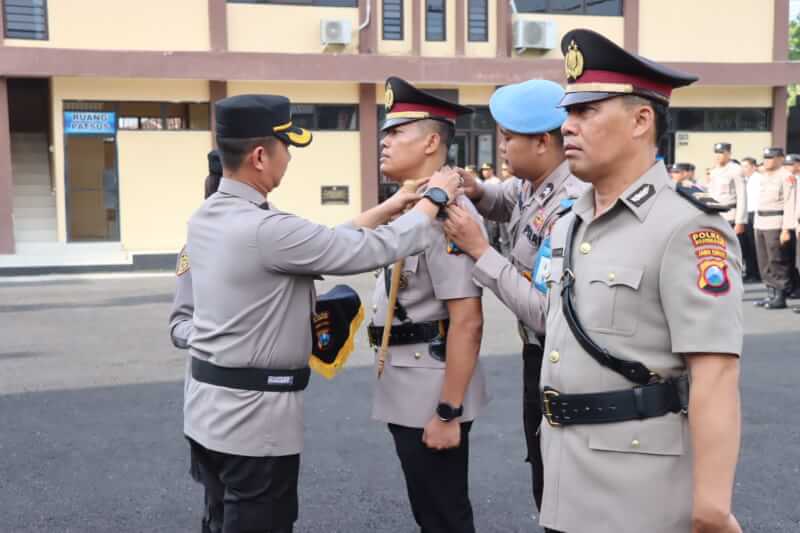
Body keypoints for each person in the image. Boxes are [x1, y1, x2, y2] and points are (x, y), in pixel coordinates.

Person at [445, 28, 743, 533]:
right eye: (568, 113)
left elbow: (714, 375)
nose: (568, 127)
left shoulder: (686, 228)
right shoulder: (572, 219)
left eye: (586, 112)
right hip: (567, 476)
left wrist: (711, 506)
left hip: (639, 492)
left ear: (640, 120)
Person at [181, 93, 461, 533]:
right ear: (259, 155)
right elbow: (364, 250)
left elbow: (319, 242)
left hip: (207, 412)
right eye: (286, 147)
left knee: (220, 519)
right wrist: (434, 200)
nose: (289, 157)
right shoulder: (266, 229)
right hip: (253, 422)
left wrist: (388, 208)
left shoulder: (210, 216)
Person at [453, 79, 587, 519]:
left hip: (559, 357)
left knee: (559, 485)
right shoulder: (533, 184)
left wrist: (481, 252)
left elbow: (547, 314)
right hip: (538, 356)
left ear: (544, 142)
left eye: (509, 138)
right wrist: (474, 189)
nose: (502, 147)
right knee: (543, 470)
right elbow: (502, 200)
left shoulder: (570, 202)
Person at [370, 76, 488, 533]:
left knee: (444, 516)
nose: (385, 141)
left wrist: (447, 411)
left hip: (431, 387)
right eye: (385, 132)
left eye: (397, 132)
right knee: (429, 511)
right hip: (406, 377)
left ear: (432, 142)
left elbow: (467, 321)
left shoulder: (448, 215)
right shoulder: (411, 205)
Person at [753, 147, 797, 309]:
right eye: (765, 158)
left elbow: (790, 203)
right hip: (760, 222)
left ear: (780, 159)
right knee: (764, 261)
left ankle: (780, 296)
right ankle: (771, 293)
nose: (767, 161)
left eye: (771, 158)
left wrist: (786, 229)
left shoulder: (786, 177)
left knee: (777, 260)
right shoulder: (763, 177)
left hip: (776, 223)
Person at [741, 156, 762, 282]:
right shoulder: (745, 179)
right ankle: (750, 272)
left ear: (754, 167)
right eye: (742, 166)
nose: (743, 169)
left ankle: (756, 273)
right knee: (746, 246)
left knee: (754, 245)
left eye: (746, 166)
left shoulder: (758, 179)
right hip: (745, 214)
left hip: (754, 214)